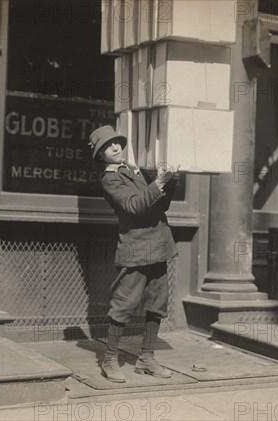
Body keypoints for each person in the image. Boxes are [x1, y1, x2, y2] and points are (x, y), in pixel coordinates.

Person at [88, 125, 179, 383]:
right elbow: (135, 206)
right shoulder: (110, 179)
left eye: (117, 142)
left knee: (157, 304)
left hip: (158, 244)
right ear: (100, 155)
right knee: (124, 304)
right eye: (107, 146)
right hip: (136, 248)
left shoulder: (133, 169)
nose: (115, 148)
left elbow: (161, 204)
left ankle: (146, 358)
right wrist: (158, 181)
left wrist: (170, 180)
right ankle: (109, 359)